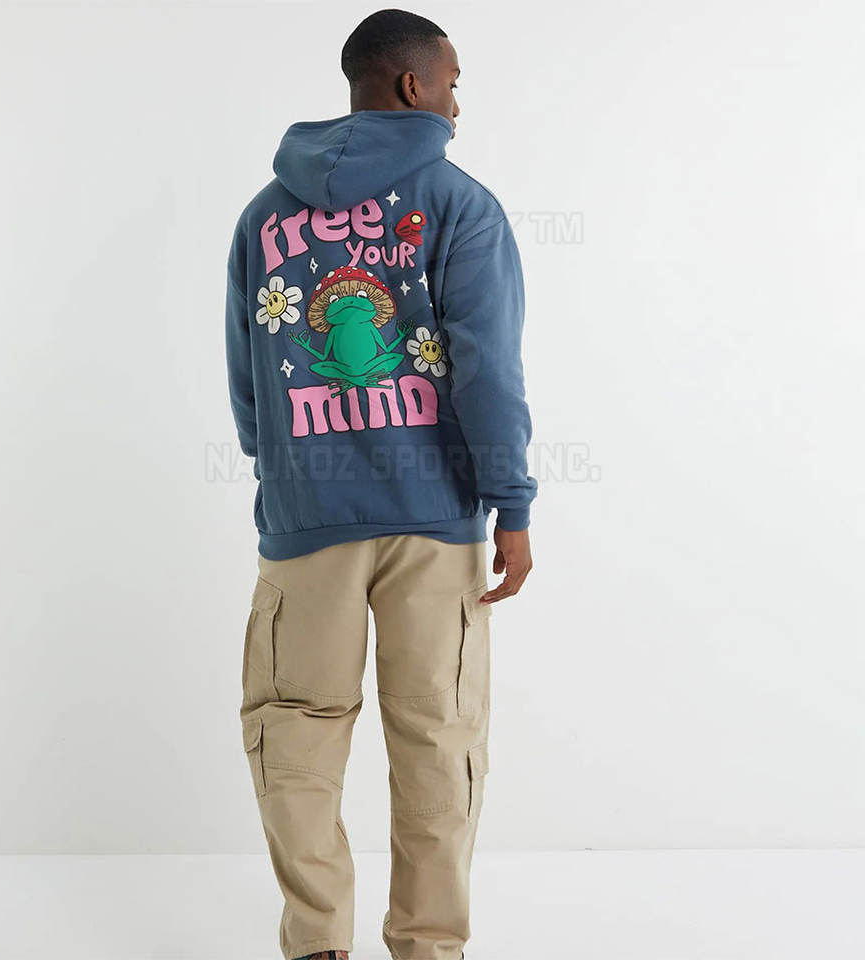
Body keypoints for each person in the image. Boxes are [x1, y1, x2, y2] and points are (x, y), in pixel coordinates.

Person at [224, 9, 537, 960]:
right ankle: (429, 946)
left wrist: (283, 470)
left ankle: (318, 943)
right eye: (452, 82)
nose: (457, 102)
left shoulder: (264, 215)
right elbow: (487, 370)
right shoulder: (461, 204)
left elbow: (247, 376)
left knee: (295, 731)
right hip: (434, 519)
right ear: (412, 85)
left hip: (305, 516)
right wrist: (512, 503)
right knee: (438, 735)